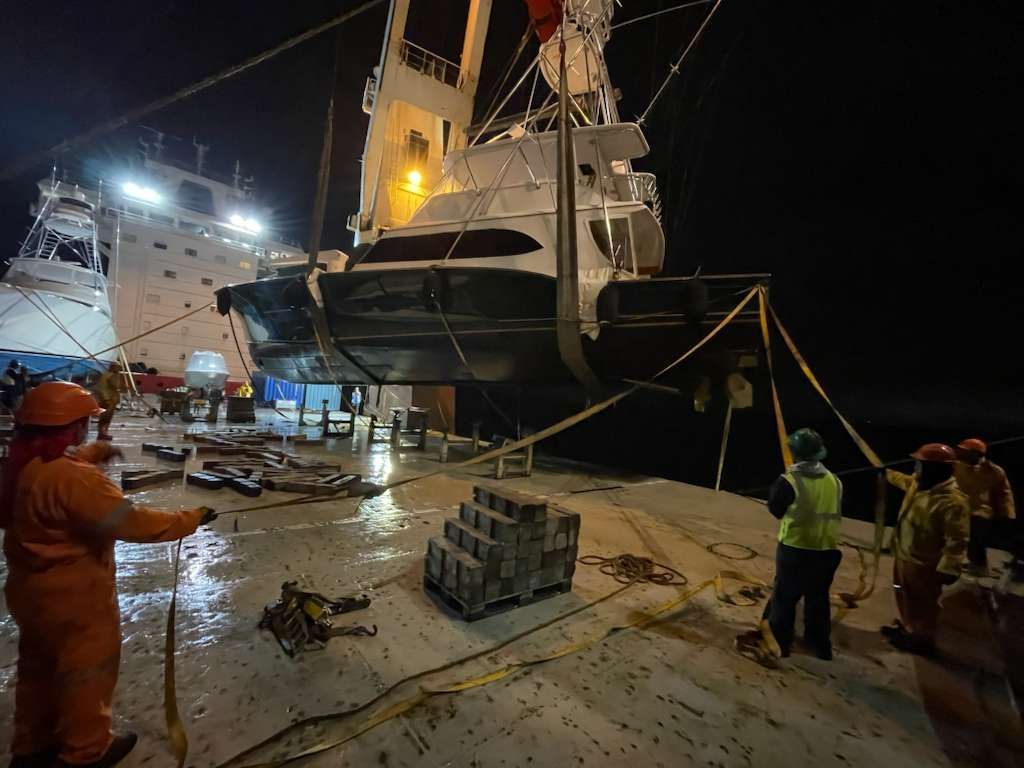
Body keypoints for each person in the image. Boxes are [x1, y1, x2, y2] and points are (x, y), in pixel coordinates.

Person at [1, 381, 215, 768]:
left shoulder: (22, 465)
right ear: (72, 426)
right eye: (83, 423)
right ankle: (85, 753)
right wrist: (190, 519)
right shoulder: (76, 481)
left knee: (38, 671)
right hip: (74, 598)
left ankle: (30, 748)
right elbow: (129, 521)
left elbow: (60, 471)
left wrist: (92, 454)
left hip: (30, 592)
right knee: (85, 673)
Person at [882, 443, 970, 656]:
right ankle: (908, 628)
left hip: (925, 565)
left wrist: (949, 568)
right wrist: (885, 473)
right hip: (904, 555)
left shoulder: (952, 502)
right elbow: (902, 480)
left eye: (920, 464)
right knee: (902, 593)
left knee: (923, 604)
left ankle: (923, 640)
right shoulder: (918, 484)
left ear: (935, 469)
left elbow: (957, 540)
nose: (916, 468)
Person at [763, 428, 844, 660]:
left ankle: (780, 642)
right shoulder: (834, 481)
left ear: (795, 453)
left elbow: (776, 509)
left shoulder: (788, 481)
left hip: (796, 549)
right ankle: (820, 645)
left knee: (785, 598)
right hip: (827, 551)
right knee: (818, 599)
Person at [954, 438, 1016, 574]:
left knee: (976, 538)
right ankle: (963, 562)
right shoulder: (956, 465)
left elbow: (1004, 493)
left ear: (976, 454)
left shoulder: (993, 471)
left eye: (965, 451)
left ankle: (979, 566)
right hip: (958, 509)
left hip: (980, 511)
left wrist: (1007, 513)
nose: (960, 453)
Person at [93, 362, 125, 441]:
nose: (119, 369)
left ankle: (104, 432)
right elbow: (114, 385)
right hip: (107, 400)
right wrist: (106, 399)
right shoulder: (109, 376)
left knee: (108, 418)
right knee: (105, 418)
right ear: (113, 367)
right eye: (117, 367)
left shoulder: (110, 375)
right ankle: (102, 433)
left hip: (112, 400)